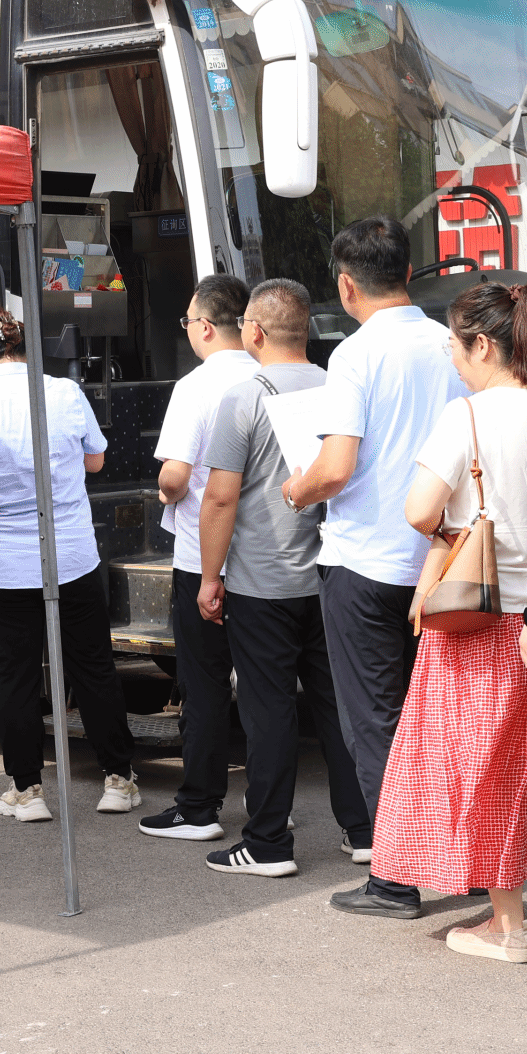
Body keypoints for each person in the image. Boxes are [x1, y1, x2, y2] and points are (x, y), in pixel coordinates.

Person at [378, 281, 527, 963]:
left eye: (455, 344)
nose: (453, 358)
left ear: (484, 344)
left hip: (483, 621)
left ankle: (506, 925)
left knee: (488, 769)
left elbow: (416, 509)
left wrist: (449, 533)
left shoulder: (464, 416)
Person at [283, 215, 464, 918]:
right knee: (445, 716)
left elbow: (336, 465)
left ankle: (394, 877)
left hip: (365, 565)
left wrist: (297, 488)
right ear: (411, 274)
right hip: (444, 561)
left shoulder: (355, 357)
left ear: (347, 285)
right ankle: (470, 863)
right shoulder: (455, 343)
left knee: (377, 721)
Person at [193, 278, 369, 876]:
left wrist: (209, 576)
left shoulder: (242, 398)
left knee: (268, 712)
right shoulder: (339, 388)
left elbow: (219, 499)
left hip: (261, 582)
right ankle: (364, 828)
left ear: (257, 332)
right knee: (337, 705)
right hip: (332, 572)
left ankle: (268, 842)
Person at [0, 310, 141, 822]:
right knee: (92, 666)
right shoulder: (64, 392)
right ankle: (118, 780)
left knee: (15, 676)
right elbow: (96, 460)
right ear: (27, 353)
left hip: (1, 565)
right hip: (69, 556)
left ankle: (27, 791)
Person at [138, 275, 256, 844]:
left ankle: (200, 806)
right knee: (265, 688)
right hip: (269, 563)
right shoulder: (272, 376)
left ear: (205, 327)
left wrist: (164, 490)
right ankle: (267, 807)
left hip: (203, 559)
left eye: (187, 321)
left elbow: (177, 476)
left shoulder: (195, 387)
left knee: (204, 684)